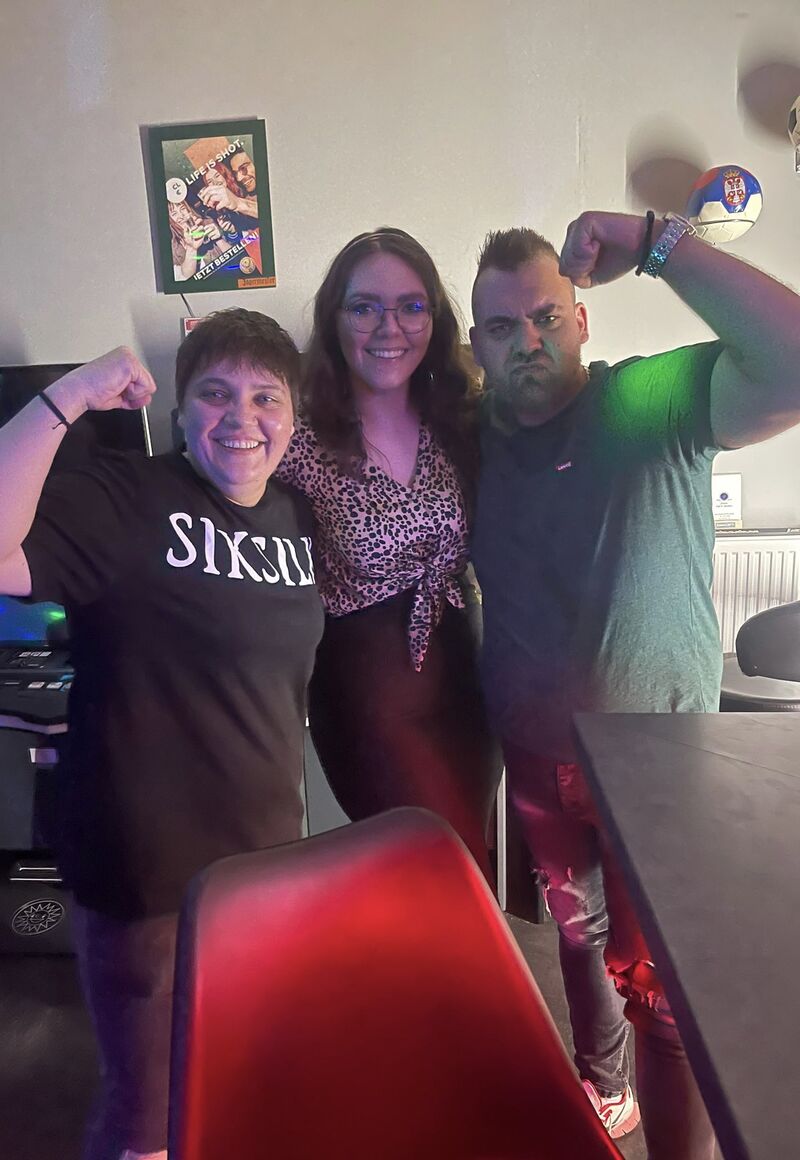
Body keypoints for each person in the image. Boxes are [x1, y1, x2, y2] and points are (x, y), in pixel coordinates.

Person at [469, 211, 800, 1158]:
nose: (527, 341)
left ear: (582, 318)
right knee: (576, 933)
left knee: (662, 985)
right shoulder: (471, 438)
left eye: (546, 316)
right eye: (502, 327)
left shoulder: (649, 400)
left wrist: (657, 241)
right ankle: (605, 1092)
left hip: (660, 763)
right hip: (539, 758)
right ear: (478, 346)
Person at [0, 309, 324, 1160]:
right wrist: (70, 395)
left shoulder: (297, 518)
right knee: (147, 1120)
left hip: (263, 869)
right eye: (216, 394)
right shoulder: (130, 496)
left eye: (266, 397)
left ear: (293, 417)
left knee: (233, 1087)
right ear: (182, 411)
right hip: (149, 879)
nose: (242, 418)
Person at [277, 227, 500, 881]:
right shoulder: (298, 438)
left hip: (463, 673)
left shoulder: (461, 420)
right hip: (367, 690)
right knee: (441, 867)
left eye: (410, 306)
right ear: (334, 318)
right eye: (364, 307)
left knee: (466, 861)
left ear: (434, 317)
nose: (389, 327)